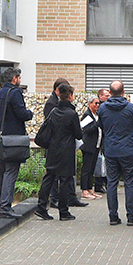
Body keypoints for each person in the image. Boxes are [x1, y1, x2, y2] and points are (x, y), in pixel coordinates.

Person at [35, 82, 83, 221]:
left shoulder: (54, 112)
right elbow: (78, 134)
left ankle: (41, 207)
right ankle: (63, 211)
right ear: (70, 96)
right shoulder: (72, 114)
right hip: (66, 151)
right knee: (65, 181)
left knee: (49, 178)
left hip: (53, 149)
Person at [0, 67, 33, 219]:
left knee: (2, 170)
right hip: (13, 140)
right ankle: (5, 206)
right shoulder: (15, 93)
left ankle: (2, 203)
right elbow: (22, 114)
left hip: (0, 139)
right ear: (14, 79)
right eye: (19, 78)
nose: (20, 80)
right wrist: (30, 113)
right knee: (11, 171)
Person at [97, 81, 133, 226]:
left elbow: (101, 125)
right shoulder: (130, 108)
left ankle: (113, 216)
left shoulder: (103, 108)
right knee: (129, 183)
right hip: (127, 149)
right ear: (123, 92)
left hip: (110, 150)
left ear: (110, 93)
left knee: (111, 183)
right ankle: (131, 216)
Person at [45, 77, 87, 210]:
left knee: (57, 177)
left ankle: (67, 199)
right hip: (62, 147)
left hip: (58, 146)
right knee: (60, 178)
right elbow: (76, 133)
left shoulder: (58, 108)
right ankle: (59, 205)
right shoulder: (55, 106)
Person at [79, 96, 102, 200]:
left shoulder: (97, 115)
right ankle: (84, 190)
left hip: (96, 145)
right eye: (95, 103)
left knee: (92, 168)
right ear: (90, 104)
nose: (97, 105)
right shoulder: (87, 115)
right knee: (86, 168)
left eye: (98, 103)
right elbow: (85, 129)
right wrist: (96, 124)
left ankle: (89, 188)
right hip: (88, 145)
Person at [93, 88, 111, 194]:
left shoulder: (106, 107)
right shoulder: (100, 108)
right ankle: (99, 184)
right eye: (106, 96)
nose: (108, 97)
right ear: (100, 96)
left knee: (103, 162)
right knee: (100, 162)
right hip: (100, 139)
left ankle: (104, 184)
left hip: (104, 138)